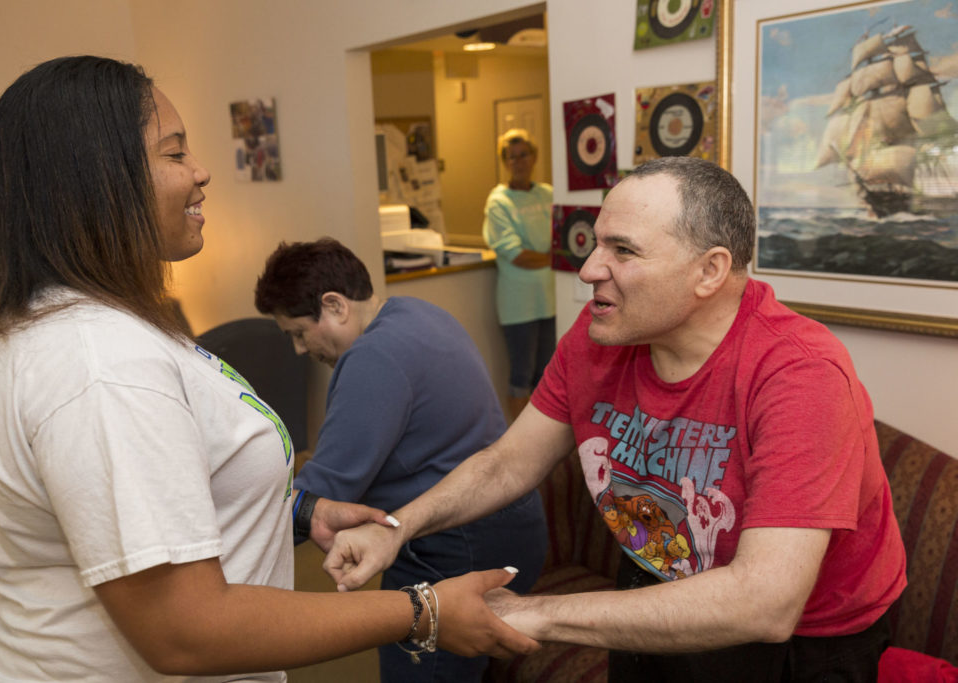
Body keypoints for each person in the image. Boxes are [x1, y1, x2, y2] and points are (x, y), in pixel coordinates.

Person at [0, 55, 537, 682]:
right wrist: (421, 611)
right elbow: (187, 633)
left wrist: (299, 513)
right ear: (96, 183)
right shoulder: (101, 365)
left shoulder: (54, 323)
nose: (202, 172)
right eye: (174, 154)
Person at [325, 156, 908, 682]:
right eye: (597, 243)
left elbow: (765, 602)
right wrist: (395, 528)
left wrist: (529, 611)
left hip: (805, 639)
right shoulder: (602, 332)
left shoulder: (800, 373)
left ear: (709, 271)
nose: (588, 270)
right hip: (662, 580)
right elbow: (507, 464)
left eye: (623, 251)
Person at [254, 238, 548, 683]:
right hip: (510, 525)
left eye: (298, 332)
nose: (299, 349)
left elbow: (326, 493)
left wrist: (238, 524)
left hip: (454, 547)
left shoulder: (372, 358)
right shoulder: (415, 312)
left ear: (334, 306)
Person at [482, 128, 556, 420]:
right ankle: (521, 450)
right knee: (521, 377)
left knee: (548, 376)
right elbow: (518, 255)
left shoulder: (547, 194)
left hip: (548, 300)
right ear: (505, 162)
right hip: (518, 305)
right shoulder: (498, 201)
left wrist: (553, 256)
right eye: (510, 157)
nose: (517, 162)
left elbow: (564, 240)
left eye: (523, 155)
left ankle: (547, 451)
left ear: (534, 157)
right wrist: (554, 258)